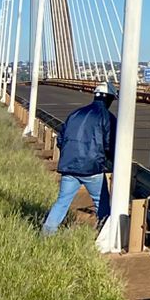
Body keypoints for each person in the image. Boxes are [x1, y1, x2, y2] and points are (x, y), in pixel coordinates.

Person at [41, 82, 117, 236]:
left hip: (69, 166)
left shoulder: (75, 113)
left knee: (62, 202)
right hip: (92, 168)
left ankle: (46, 235)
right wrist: (111, 164)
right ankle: (104, 236)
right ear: (109, 99)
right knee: (101, 203)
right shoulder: (108, 118)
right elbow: (110, 145)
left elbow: (61, 139)